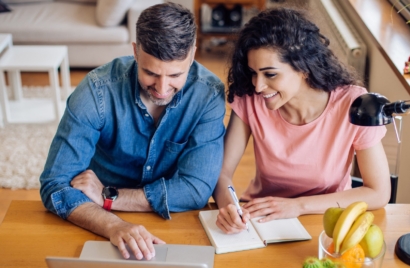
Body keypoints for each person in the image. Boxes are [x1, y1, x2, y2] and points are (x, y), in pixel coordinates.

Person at [39, 3, 225, 260]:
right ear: (136, 52)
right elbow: (55, 184)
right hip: (96, 219)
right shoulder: (97, 90)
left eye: (175, 75)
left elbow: (196, 189)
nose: (162, 88)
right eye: (150, 72)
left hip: (165, 218)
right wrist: (113, 224)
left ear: (192, 55)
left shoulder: (208, 95)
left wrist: (110, 197)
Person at [213, 7, 391, 234]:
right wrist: (230, 207)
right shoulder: (251, 98)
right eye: (253, 72)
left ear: (303, 68)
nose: (258, 85)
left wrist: (297, 206)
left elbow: (378, 191)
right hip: (261, 220)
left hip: (327, 219)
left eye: (270, 74)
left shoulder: (353, 103)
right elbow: (222, 172)